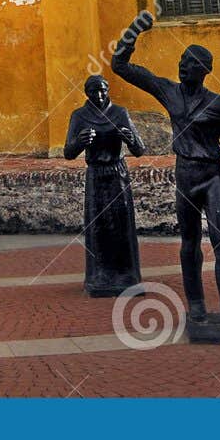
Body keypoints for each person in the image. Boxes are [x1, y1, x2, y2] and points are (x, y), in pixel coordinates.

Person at [111, 11, 220, 333]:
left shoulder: (219, 104)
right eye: (180, 60)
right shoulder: (168, 91)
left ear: (203, 71)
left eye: (188, 63)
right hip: (185, 176)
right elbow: (120, 67)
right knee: (189, 244)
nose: (181, 66)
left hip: (212, 176)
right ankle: (198, 307)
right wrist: (133, 32)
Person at [62, 75, 145, 296]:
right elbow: (68, 152)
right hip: (96, 175)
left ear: (108, 90)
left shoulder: (120, 113)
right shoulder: (79, 116)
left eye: (103, 90)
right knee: (98, 225)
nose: (99, 95)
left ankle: (126, 273)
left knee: (121, 224)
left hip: (118, 173)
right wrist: (80, 142)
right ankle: (99, 274)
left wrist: (129, 138)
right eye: (94, 91)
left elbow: (140, 149)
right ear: (86, 93)